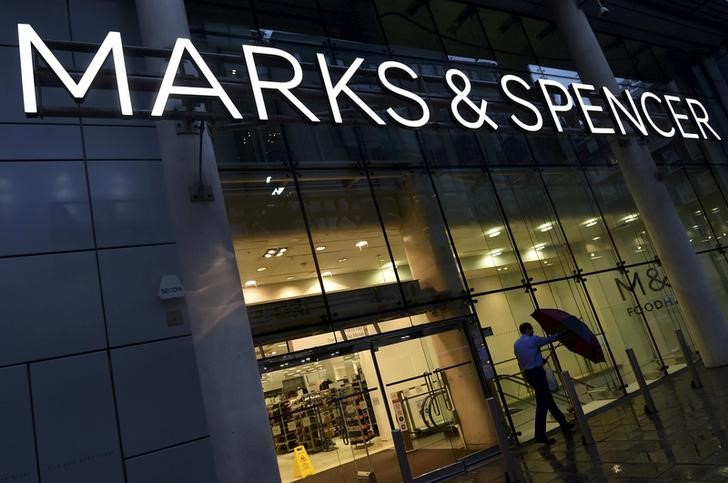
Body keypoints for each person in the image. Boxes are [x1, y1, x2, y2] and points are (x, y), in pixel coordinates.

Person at [514, 322, 574, 444]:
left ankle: (564, 424)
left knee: (548, 400)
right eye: (532, 329)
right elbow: (550, 339)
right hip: (537, 373)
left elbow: (521, 357)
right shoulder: (533, 339)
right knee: (542, 404)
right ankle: (540, 435)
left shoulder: (517, 344)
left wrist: (538, 360)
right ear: (527, 329)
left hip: (529, 374)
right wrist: (563, 333)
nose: (533, 331)